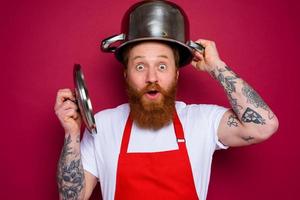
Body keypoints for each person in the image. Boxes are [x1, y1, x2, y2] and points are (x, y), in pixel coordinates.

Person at [55, 2, 279, 200]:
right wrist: (71, 134)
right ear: (126, 73)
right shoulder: (102, 126)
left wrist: (216, 67)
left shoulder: (202, 121)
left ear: (177, 73)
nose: (152, 77)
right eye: (140, 66)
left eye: (162, 66)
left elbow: (263, 127)